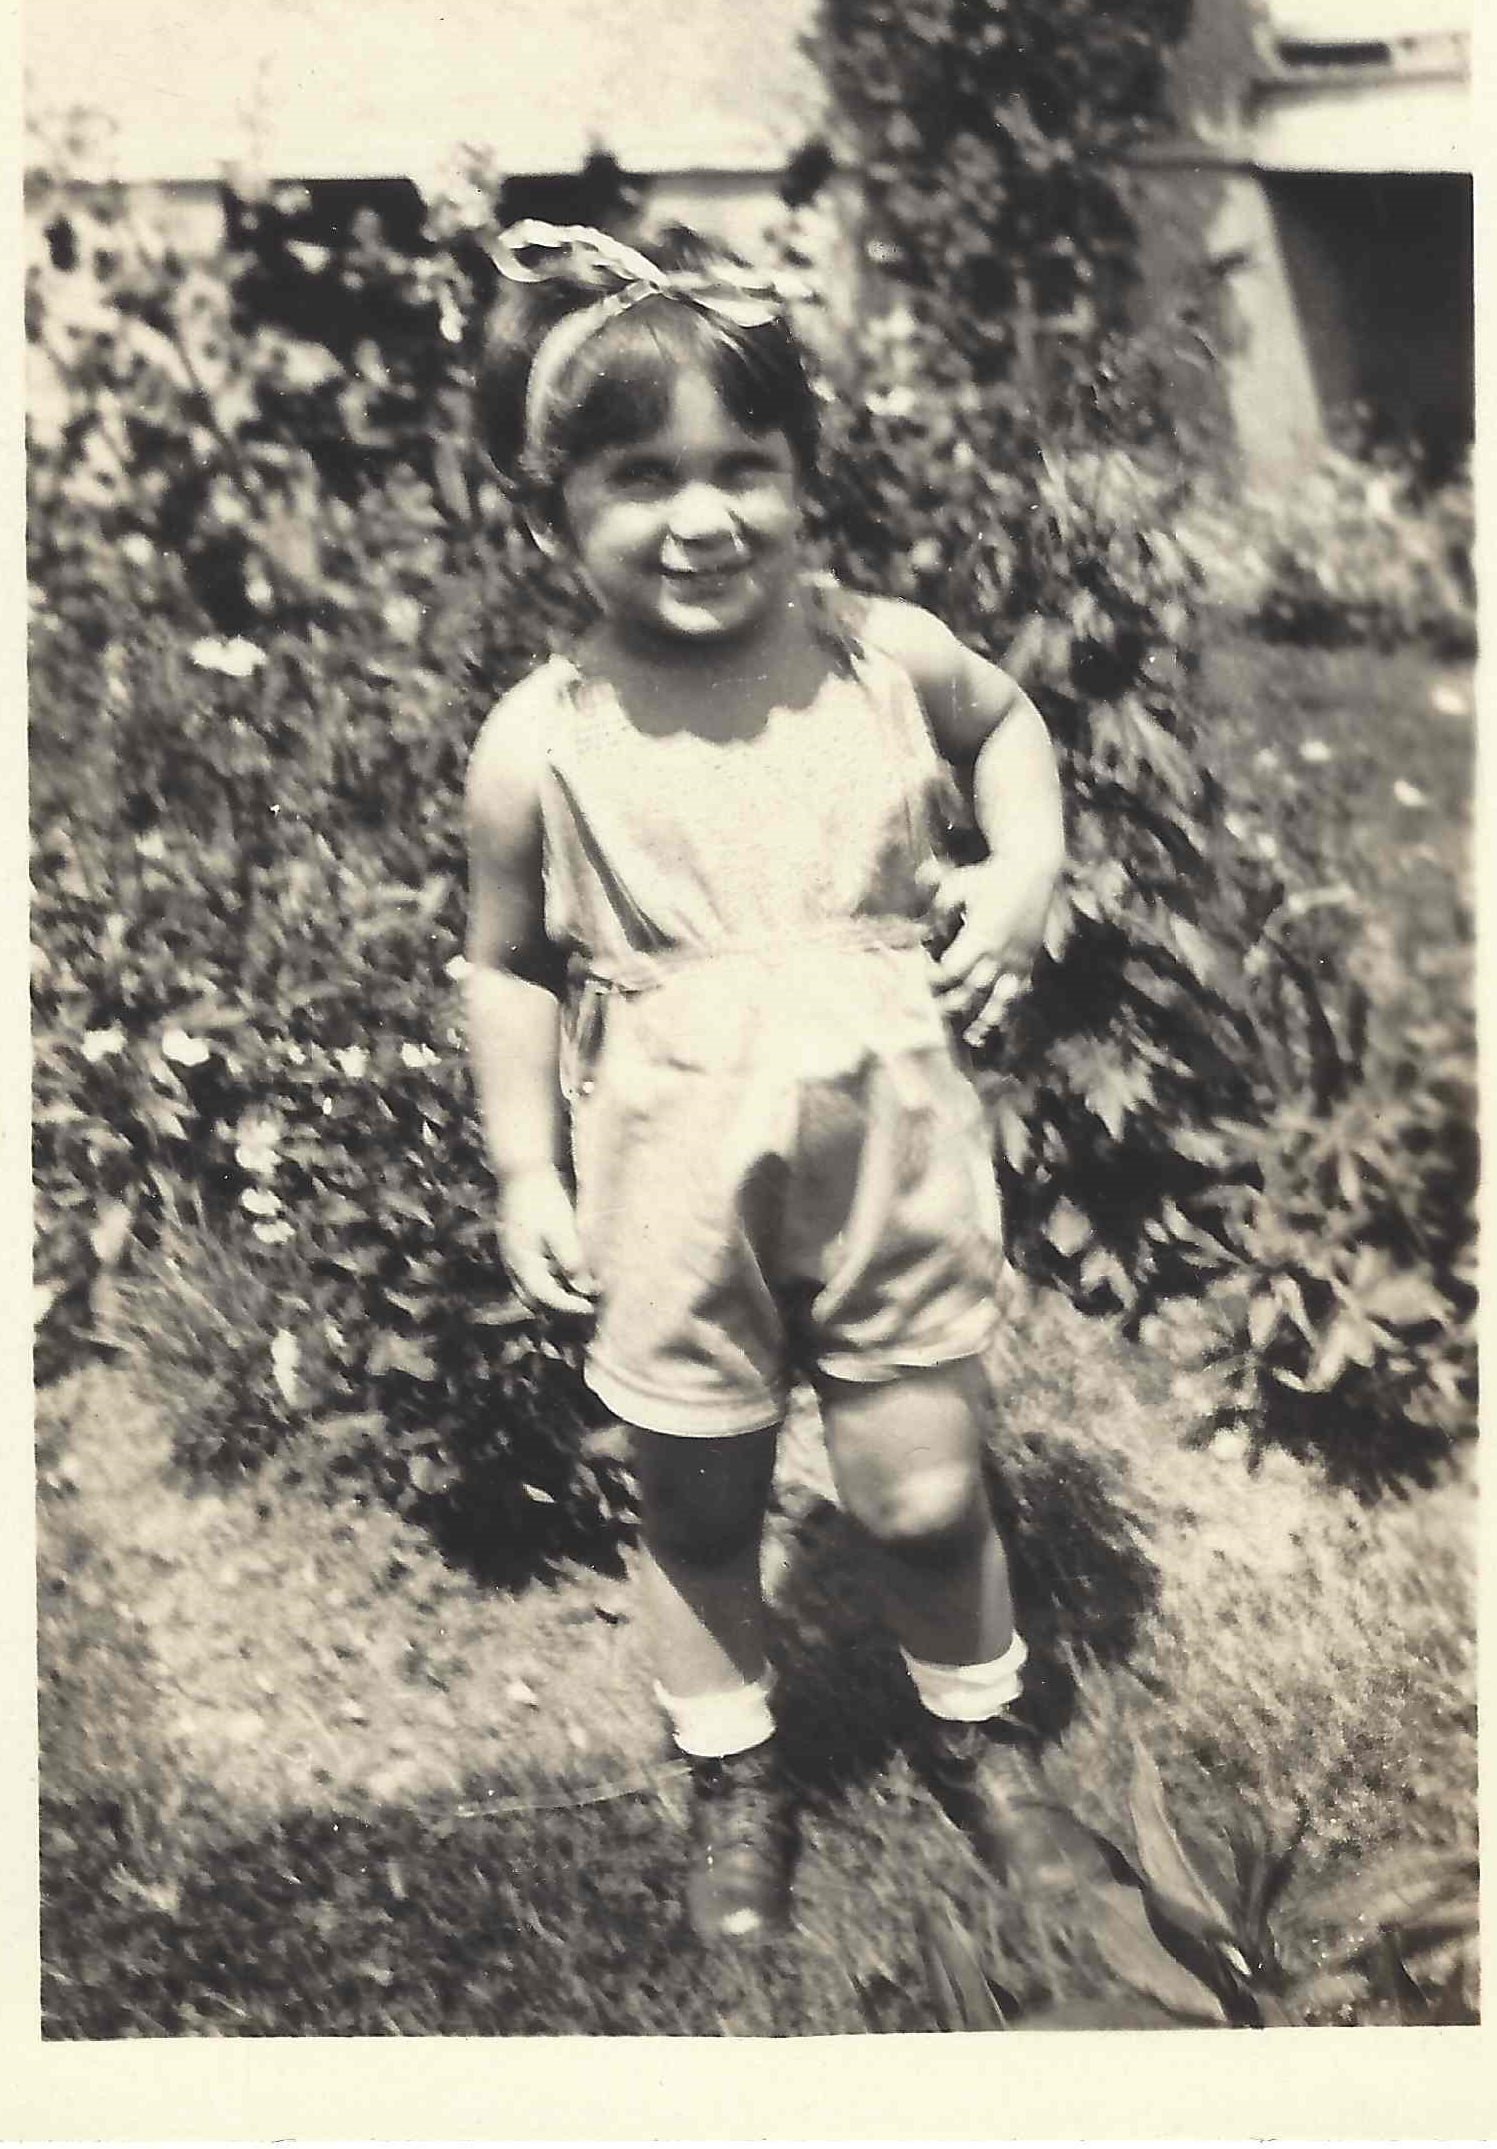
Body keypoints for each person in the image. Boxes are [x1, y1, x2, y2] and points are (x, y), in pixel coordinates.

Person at [460, 219, 1065, 1944]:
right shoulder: (543, 735)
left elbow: (1011, 728)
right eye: (641, 477)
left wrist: (1024, 870)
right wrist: (525, 1171)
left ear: (804, 473)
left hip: (888, 1151)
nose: (702, 514)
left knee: (924, 1488)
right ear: (552, 510)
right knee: (698, 1494)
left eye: (744, 465)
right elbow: (502, 966)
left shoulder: (885, 657)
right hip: (668, 1173)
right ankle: (734, 1765)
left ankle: (979, 1738)